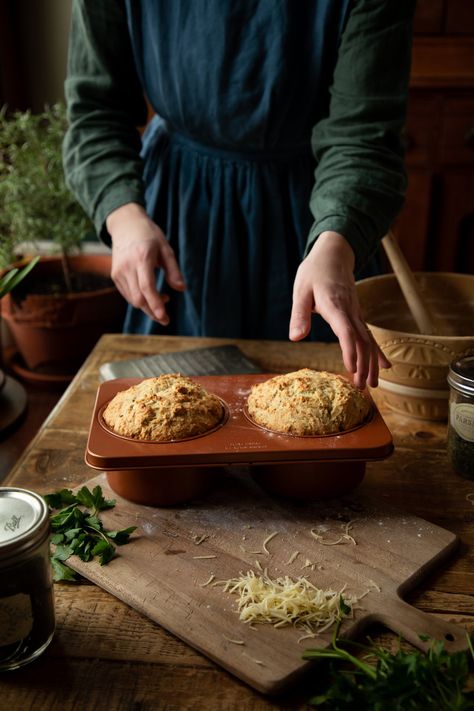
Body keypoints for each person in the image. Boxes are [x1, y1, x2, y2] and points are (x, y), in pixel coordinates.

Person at [63, 0, 416, 389]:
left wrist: (337, 243)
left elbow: (363, 134)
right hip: (180, 214)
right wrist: (124, 218)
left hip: (317, 218)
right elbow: (96, 110)